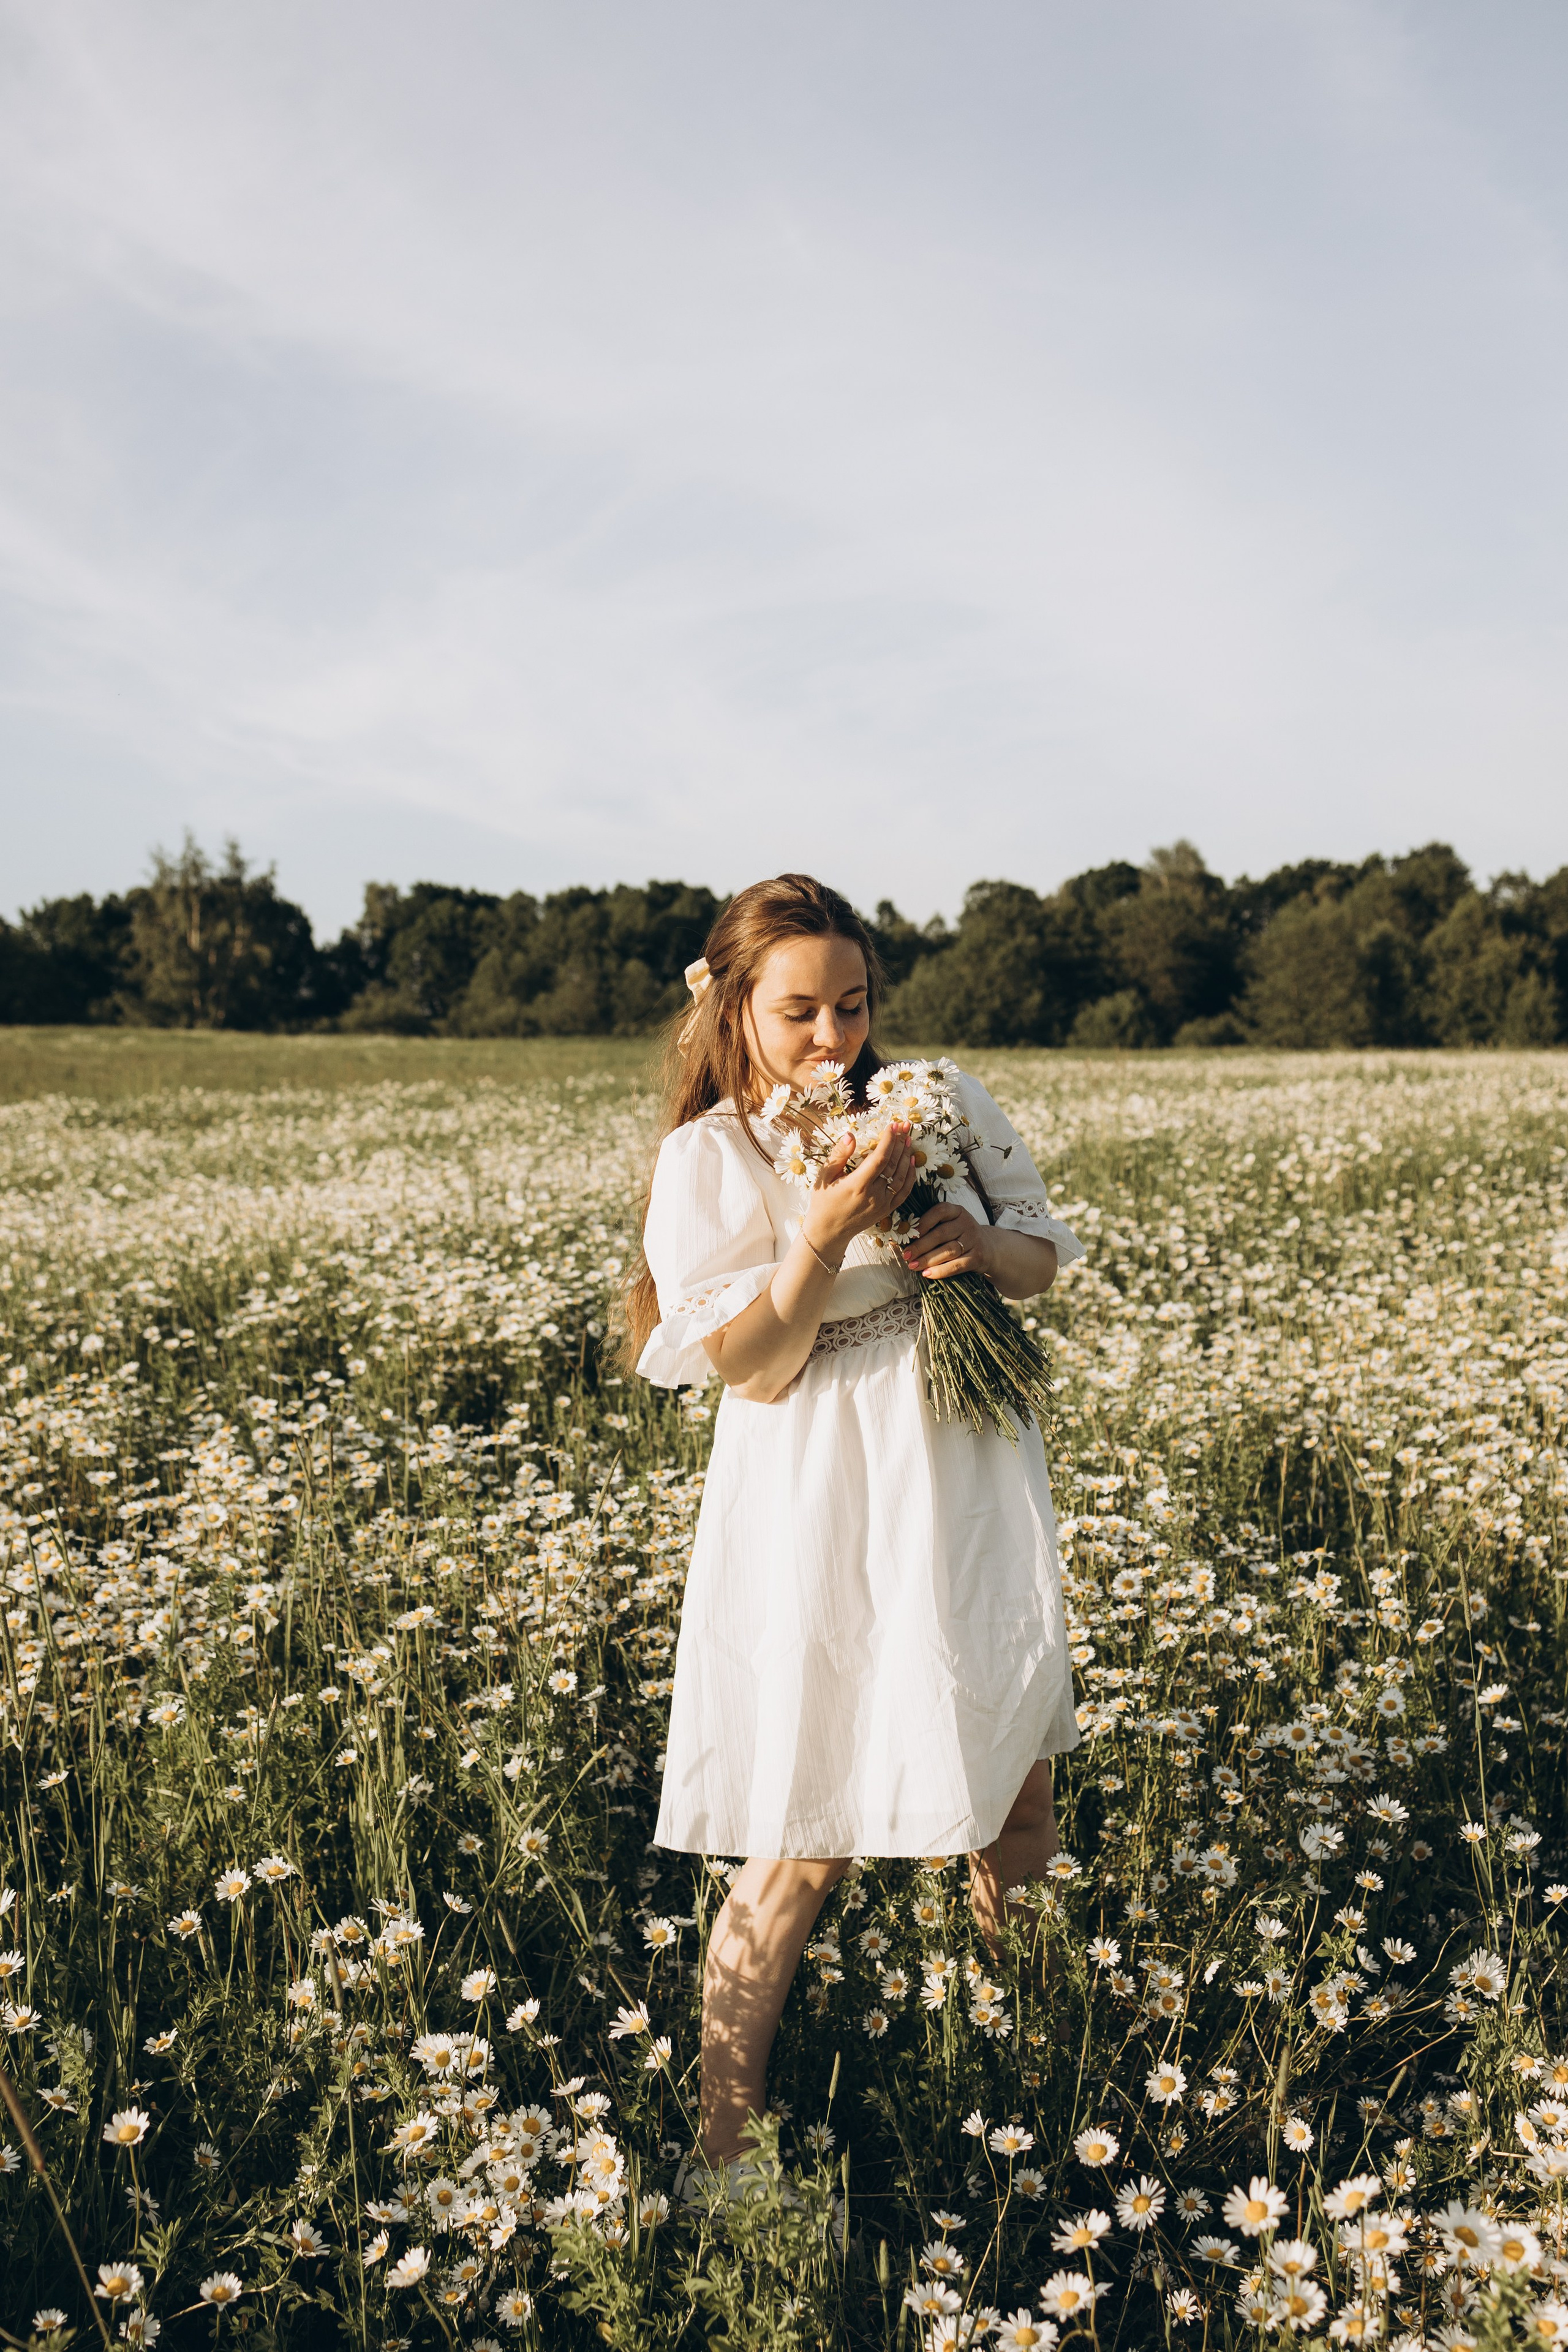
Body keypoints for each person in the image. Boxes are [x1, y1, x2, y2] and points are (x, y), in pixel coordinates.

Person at [624, 873, 1084, 2184]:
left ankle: (1034, 2090)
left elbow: (1041, 1254)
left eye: (851, 1004)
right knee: (801, 1829)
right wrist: (821, 1233)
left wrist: (973, 1249)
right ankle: (723, 2160)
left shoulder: (930, 1101)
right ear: (731, 1009)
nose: (831, 1038)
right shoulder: (711, 1157)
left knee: (1017, 1798)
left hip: (967, 1472)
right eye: (797, 1012)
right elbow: (752, 1366)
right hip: (822, 1493)